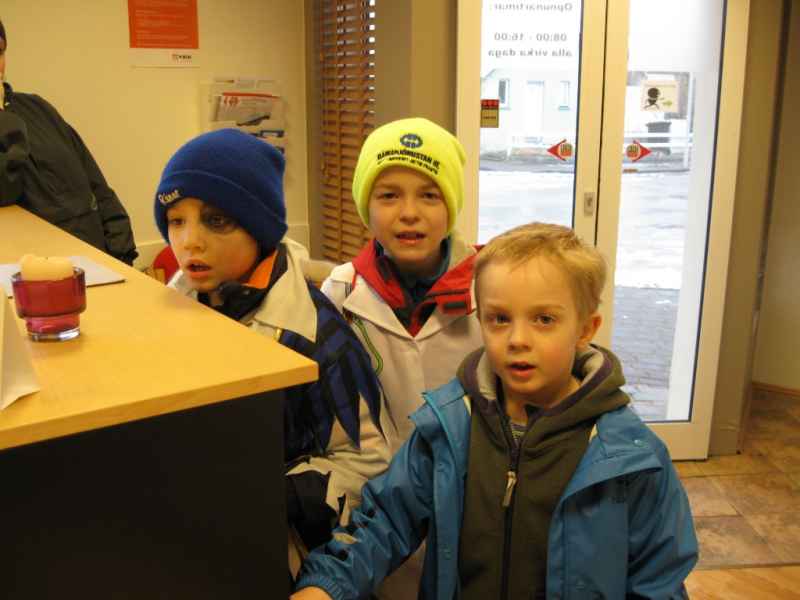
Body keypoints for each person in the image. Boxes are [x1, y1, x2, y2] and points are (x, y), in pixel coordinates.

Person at [293, 222, 698, 600]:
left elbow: (658, 580)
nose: (518, 339)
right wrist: (327, 585)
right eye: (500, 319)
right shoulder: (448, 428)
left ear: (585, 329)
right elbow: (384, 521)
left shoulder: (631, 457)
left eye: (544, 319)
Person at [152, 128, 390, 576]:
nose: (189, 241)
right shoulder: (177, 306)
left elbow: (371, 462)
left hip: (286, 551)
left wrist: (270, 497)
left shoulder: (316, 336)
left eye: (216, 221)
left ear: (259, 229)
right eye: (176, 221)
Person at [322, 117, 483, 456]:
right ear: (366, 206)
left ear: (451, 206)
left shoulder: (488, 289)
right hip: (378, 476)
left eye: (429, 195)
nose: (409, 213)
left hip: (471, 474)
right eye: (389, 195)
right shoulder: (340, 291)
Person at [0, 18, 137, 264]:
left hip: (99, 261)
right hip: (35, 274)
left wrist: (122, 252)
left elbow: (96, 185)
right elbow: (5, 190)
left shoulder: (37, 108)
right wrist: (4, 120)